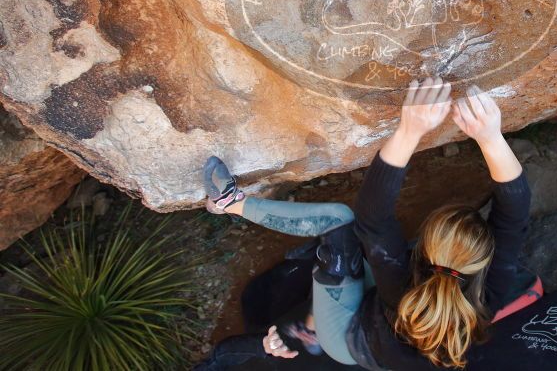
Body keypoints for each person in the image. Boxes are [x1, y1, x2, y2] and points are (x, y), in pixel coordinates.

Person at [202, 77, 531, 369]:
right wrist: (490, 137)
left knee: (338, 223)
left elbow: (372, 218)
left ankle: (230, 203)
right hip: (388, 333)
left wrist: (413, 130)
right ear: (485, 260)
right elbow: (513, 218)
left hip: (349, 339)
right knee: (365, 244)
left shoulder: (403, 289)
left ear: (427, 249)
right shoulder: (485, 296)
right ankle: (330, 276)